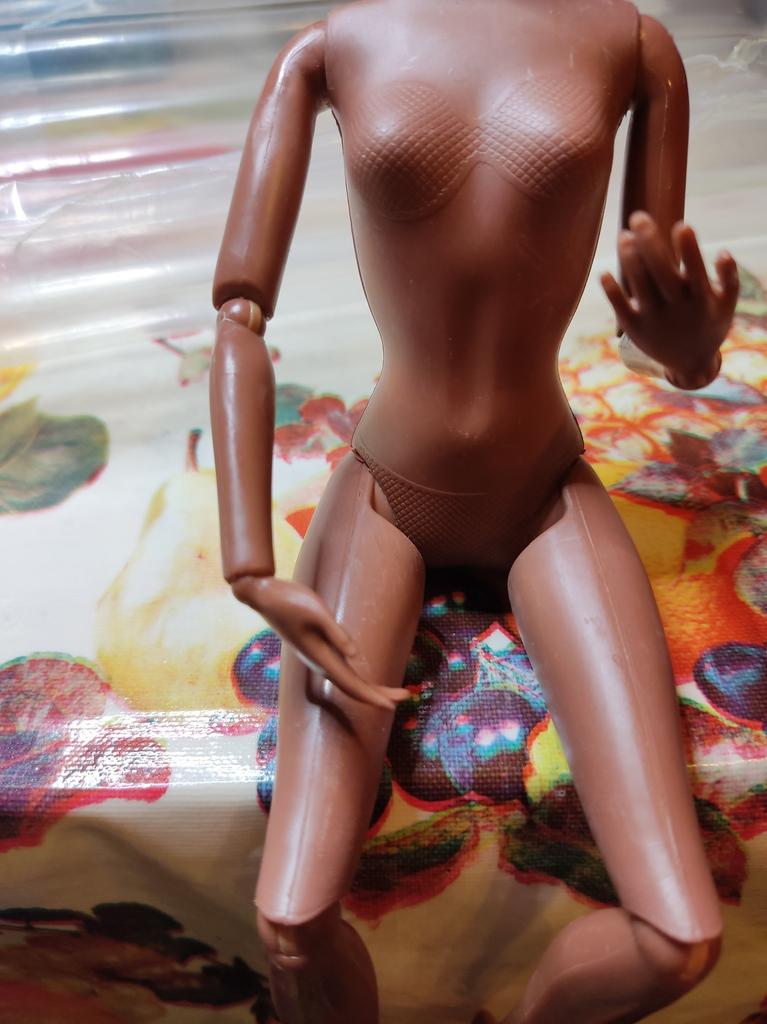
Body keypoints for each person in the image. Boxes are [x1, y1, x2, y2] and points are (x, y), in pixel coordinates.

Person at [209, 2, 740, 1020]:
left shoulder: (631, 45)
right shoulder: (331, 47)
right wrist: (248, 565)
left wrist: (689, 355)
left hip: (541, 487)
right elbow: (238, 315)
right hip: (386, 489)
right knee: (291, 921)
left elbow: (654, 303)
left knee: (678, 940)